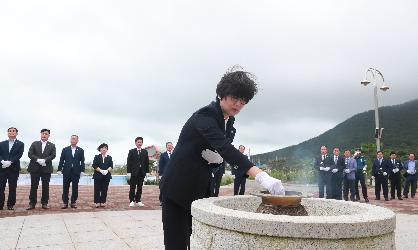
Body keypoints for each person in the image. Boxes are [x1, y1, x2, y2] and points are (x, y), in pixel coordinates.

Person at [161, 68, 285, 250]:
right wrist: (261, 176)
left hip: (200, 187)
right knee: (177, 244)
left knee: (198, 238)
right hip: (178, 187)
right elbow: (225, 148)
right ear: (221, 94)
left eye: (243, 102)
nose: (238, 105)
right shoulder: (205, 116)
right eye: (235, 98)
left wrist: (216, 159)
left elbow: (218, 152)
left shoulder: (229, 122)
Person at [27, 129, 56, 210]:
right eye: (43, 133)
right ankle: (32, 203)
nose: (44, 135)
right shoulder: (35, 143)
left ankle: (44, 203)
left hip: (46, 169)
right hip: (35, 168)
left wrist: (45, 160)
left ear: (48, 136)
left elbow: (53, 155)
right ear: (40, 134)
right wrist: (37, 159)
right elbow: (30, 154)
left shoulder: (52, 145)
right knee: (34, 186)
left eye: (46, 134)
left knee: (45, 186)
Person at [58, 135, 85, 209]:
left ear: (77, 141)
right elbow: (61, 160)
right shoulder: (65, 149)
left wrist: (82, 170)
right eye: (72, 138)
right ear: (70, 140)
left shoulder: (81, 150)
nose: (73, 140)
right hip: (66, 171)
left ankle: (73, 202)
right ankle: (65, 203)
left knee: (75, 187)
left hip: (76, 172)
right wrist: (59, 169)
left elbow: (82, 161)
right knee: (65, 187)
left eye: (75, 139)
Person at [0, 127, 24, 210]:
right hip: (2, 168)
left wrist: (10, 162)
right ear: (7, 133)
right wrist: (2, 161)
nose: (11, 132)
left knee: (12, 187)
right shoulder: (2, 143)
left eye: (13, 131)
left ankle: (10, 204)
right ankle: (0, 204)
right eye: (10, 131)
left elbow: (19, 155)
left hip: (14, 168)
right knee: (1, 187)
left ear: (16, 133)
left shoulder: (20, 144)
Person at [127, 137, 149, 207]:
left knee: (140, 187)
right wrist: (129, 172)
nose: (139, 143)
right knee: (132, 187)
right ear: (136, 143)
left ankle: (138, 200)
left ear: (142, 143)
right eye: (138, 142)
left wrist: (147, 172)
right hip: (133, 172)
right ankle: (131, 201)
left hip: (141, 172)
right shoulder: (131, 151)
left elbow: (146, 162)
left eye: (141, 142)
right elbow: (129, 162)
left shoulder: (145, 152)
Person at [92, 143, 113, 208]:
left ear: (107, 149)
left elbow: (111, 166)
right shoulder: (96, 157)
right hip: (98, 175)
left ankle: (103, 201)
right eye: (102, 148)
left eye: (105, 148)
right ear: (100, 149)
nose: (104, 149)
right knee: (97, 189)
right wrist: (101, 170)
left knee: (104, 189)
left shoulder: (109, 157)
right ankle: (97, 202)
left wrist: (107, 171)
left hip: (106, 176)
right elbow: (94, 165)